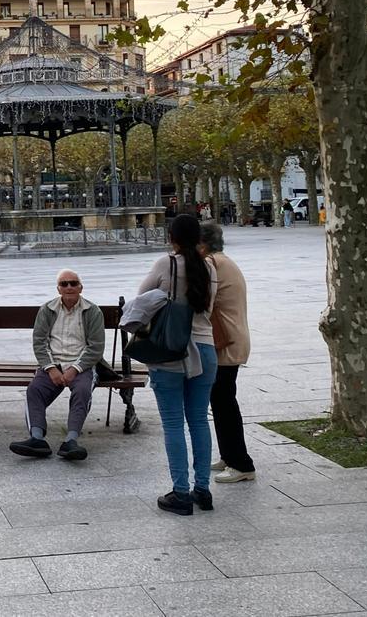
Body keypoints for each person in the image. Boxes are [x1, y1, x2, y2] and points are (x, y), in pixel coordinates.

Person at [137, 213, 218, 516]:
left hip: (171, 350)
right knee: (199, 420)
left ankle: (181, 492)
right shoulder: (209, 267)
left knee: (173, 423)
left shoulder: (165, 264)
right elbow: (208, 307)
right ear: (198, 238)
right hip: (206, 350)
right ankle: (203, 489)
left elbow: (141, 300)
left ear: (171, 237)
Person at [9, 269, 105, 461]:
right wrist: (51, 368)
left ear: (81, 287)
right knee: (34, 390)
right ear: (58, 289)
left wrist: (74, 369)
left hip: (81, 365)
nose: (69, 287)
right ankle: (37, 439)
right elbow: (39, 342)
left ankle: (71, 441)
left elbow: (96, 347)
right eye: (64, 284)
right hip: (53, 364)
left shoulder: (92, 311)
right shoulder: (47, 309)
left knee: (82, 391)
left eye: (73, 283)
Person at [199, 223, 255, 484]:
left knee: (224, 402)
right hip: (232, 339)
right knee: (221, 400)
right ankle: (228, 455)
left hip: (225, 342)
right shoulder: (224, 261)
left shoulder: (211, 263)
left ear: (202, 245)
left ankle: (241, 463)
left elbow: (202, 303)